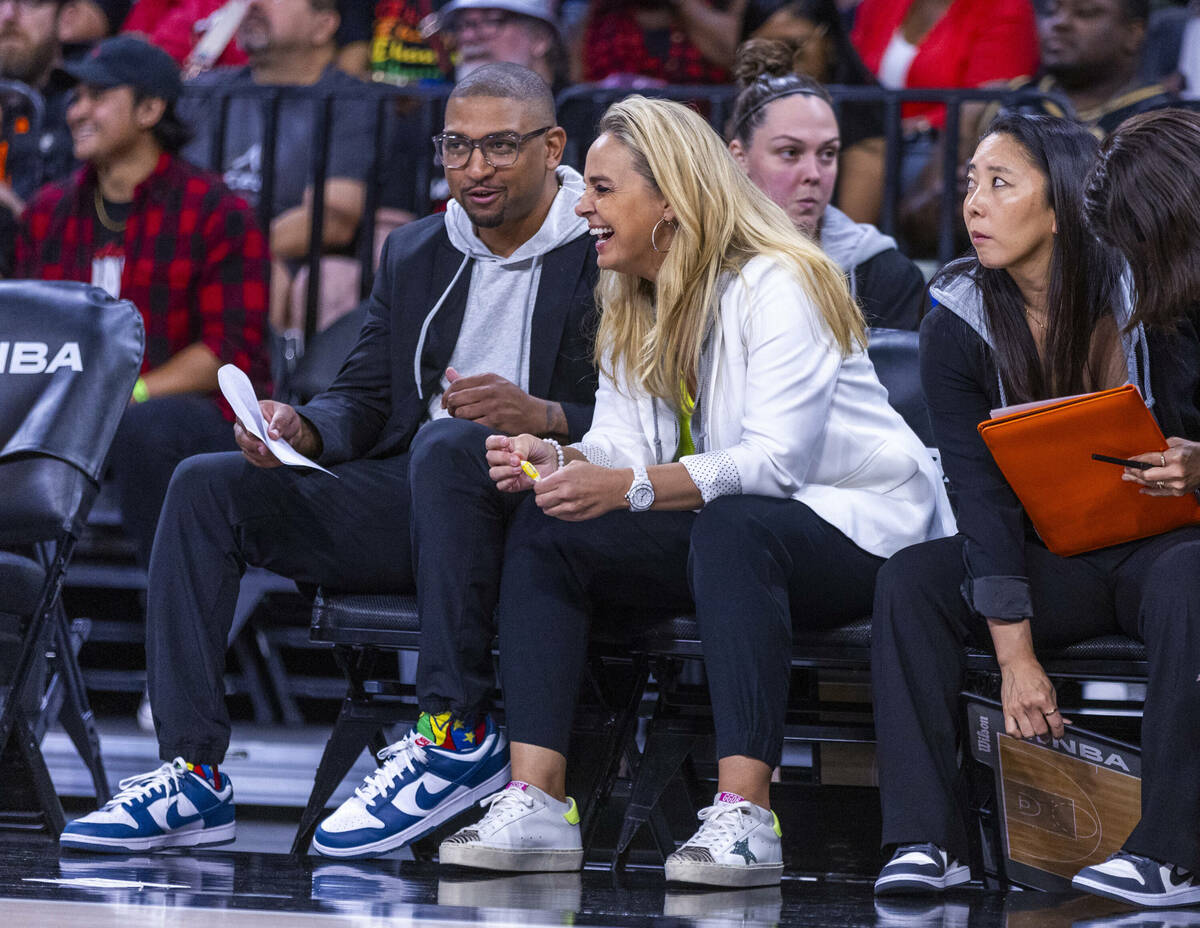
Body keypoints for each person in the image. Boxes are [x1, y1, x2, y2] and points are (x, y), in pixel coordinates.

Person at [57, 63, 601, 856]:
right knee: (208, 483)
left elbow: (640, 413)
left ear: (552, 147)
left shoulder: (599, 244)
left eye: (501, 147)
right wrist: (300, 428)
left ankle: (455, 733)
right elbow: (367, 395)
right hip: (423, 498)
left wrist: (543, 416)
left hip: (546, 494)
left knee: (451, 441)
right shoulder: (417, 248)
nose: (474, 168)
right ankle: (193, 774)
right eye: (457, 146)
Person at [435, 95, 953, 886]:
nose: (582, 205)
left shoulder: (782, 280)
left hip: (862, 525)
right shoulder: (631, 290)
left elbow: (774, 466)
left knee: (738, 525)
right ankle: (536, 800)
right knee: (554, 523)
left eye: (603, 190)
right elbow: (621, 443)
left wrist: (628, 485)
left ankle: (747, 815)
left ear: (669, 198)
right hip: (731, 532)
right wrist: (561, 454)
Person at [871, 111, 1200, 908]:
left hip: (1165, 542)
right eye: (970, 184)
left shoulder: (1156, 286)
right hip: (1048, 550)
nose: (973, 206)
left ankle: (1172, 855)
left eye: (1000, 183)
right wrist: (1017, 660)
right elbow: (977, 500)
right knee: (912, 583)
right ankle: (926, 841)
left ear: (1061, 206)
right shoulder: (956, 319)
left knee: (1192, 578)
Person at [14, 34, 270, 571]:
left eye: (97, 96)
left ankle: (176, 610)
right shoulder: (47, 211)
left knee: (148, 427)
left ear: (151, 109)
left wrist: (127, 394)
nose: (76, 111)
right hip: (62, 416)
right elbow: (20, 333)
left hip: (179, 418)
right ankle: (18, 623)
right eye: (75, 97)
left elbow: (227, 350)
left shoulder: (215, 211)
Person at [179, 0, 379, 332]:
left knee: (259, 276)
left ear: (323, 25)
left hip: (275, 260)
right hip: (196, 249)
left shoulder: (351, 102)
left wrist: (233, 249)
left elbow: (333, 219)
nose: (252, 5)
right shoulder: (203, 91)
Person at [727, 38, 925, 329]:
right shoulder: (697, 262)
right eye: (790, 153)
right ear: (739, 157)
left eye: (827, 153)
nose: (814, 173)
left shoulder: (884, 273)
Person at [738, 0, 885, 223]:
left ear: (828, 43)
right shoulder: (735, 115)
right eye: (765, 52)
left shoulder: (863, 123)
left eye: (795, 46)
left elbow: (853, 236)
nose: (782, 63)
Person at [0, 0, 77, 272]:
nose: (8, 16)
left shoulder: (85, 110)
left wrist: (17, 211)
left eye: (31, 2)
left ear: (66, 18)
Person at [437, 0, 566, 89]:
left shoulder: (579, 116)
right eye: (461, 25)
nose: (467, 37)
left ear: (540, 38)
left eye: (491, 21)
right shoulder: (435, 116)